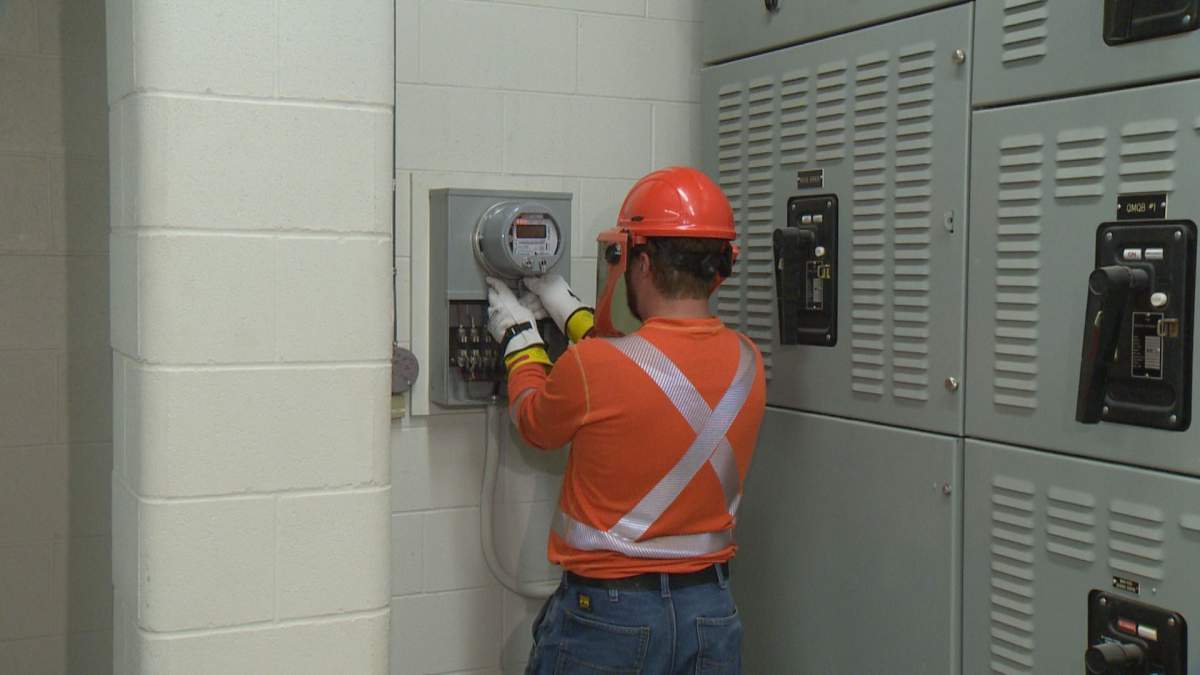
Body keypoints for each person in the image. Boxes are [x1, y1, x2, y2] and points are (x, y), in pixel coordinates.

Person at [485, 166, 767, 674]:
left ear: (638, 261)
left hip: (611, 620)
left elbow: (535, 423)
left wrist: (520, 341)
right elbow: (648, 366)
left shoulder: (594, 368)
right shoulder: (748, 363)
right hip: (710, 612)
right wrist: (566, 307)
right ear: (721, 266)